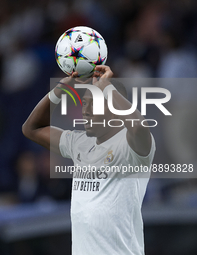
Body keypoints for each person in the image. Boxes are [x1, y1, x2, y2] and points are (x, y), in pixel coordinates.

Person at [22, 65, 155, 255]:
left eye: (95, 103)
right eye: (84, 103)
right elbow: (31, 129)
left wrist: (107, 87)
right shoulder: (79, 142)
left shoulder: (131, 146)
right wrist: (61, 88)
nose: (86, 110)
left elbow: (140, 128)